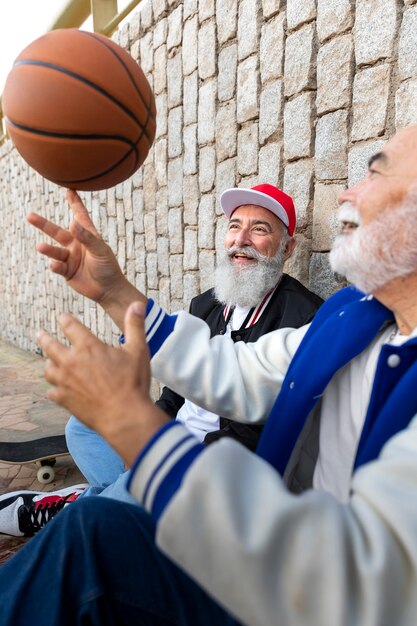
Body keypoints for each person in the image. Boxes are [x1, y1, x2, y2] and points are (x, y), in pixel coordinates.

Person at [2, 126, 417, 626]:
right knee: (90, 477)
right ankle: (96, 497)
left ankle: (91, 500)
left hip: (285, 591)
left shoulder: (308, 310)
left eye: (375, 171)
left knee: (92, 537)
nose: (346, 193)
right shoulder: (357, 314)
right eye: (234, 226)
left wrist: (143, 435)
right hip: (256, 540)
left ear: (283, 249)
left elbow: (360, 583)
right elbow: (241, 370)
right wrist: (113, 293)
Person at [0, 184, 322, 537]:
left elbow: (259, 429)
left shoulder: (303, 317)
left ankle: (84, 510)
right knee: (83, 426)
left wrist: (154, 445)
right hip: (171, 438)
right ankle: (114, 501)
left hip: (215, 464)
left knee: (117, 504)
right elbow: (174, 394)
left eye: (260, 229)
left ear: (287, 248)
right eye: (234, 225)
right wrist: (149, 427)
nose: (241, 238)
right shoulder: (207, 304)